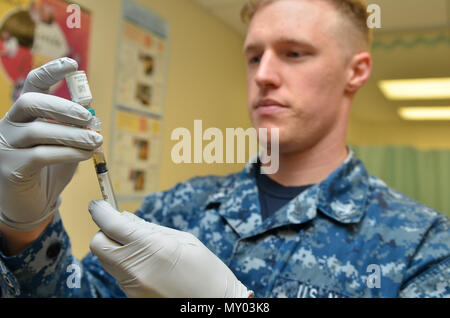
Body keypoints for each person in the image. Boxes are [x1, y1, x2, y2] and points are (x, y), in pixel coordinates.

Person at [0, 0, 449, 298]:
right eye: (254, 57)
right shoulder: (181, 208)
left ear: (356, 71)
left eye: (294, 53)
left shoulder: (422, 247)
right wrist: (26, 228)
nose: (264, 74)